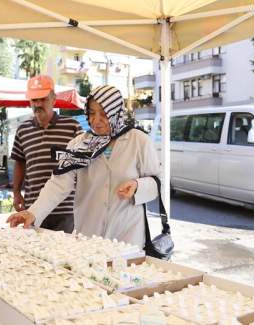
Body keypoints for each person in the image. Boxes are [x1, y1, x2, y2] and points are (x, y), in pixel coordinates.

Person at [8, 85, 161, 248]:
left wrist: (138, 186)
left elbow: (157, 182)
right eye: (92, 113)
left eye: (104, 113)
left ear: (116, 112)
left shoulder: (138, 141)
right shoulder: (78, 144)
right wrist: (33, 212)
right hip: (89, 236)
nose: (96, 120)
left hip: (127, 235)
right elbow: (59, 184)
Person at [11, 75, 82, 233]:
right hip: (33, 208)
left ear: (54, 99)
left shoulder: (72, 127)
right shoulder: (23, 129)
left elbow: (82, 166)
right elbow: (19, 163)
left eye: (42, 99)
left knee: (64, 254)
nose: (38, 104)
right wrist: (16, 193)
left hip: (65, 209)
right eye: (34, 100)